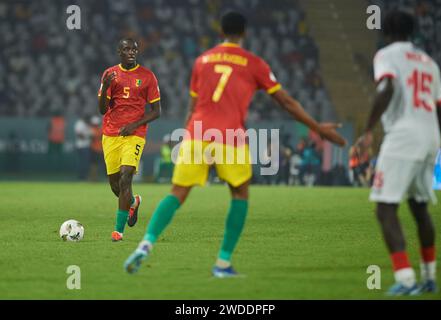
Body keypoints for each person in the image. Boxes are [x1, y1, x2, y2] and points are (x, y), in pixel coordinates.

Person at [124, 11, 345, 277]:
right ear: (245, 33)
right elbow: (286, 102)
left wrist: (185, 136)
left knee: (177, 193)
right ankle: (223, 263)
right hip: (230, 136)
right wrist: (318, 128)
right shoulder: (254, 63)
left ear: (221, 32)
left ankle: (145, 244)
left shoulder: (202, 61)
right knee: (240, 194)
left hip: (198, 133)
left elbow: (193, 106)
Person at [355, 11, 441, 295]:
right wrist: (435, 140)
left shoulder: (386, 55)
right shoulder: (429, 63)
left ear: (385, 31)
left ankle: (406, 279)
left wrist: (368, 129)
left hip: (404, 137)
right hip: (430, 136)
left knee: (385, 207)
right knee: (419, 207)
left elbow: (387, 87)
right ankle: (429, 276)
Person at [98, 38, 161, 241]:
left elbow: (157, 111)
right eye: (126, 49)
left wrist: (134, 125)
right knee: (116, 186)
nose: (131, 52)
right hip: (111, 134)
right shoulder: (110, 74)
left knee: (126, 177)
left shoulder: (147, 76)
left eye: (134, 49)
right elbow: (102, 110)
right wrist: (105, 87)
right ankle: (133, 202)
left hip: (135, 134)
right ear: (119, 52)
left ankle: (118, 231)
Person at [74, 114, 91, 180]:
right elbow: (79, 134)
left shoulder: (86, 124)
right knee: (82, 162)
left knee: (85, 162)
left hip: (86, 145)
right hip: (81, 146)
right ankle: (81, 176)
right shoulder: (80, 123)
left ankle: (84, 176)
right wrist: (88, 136)